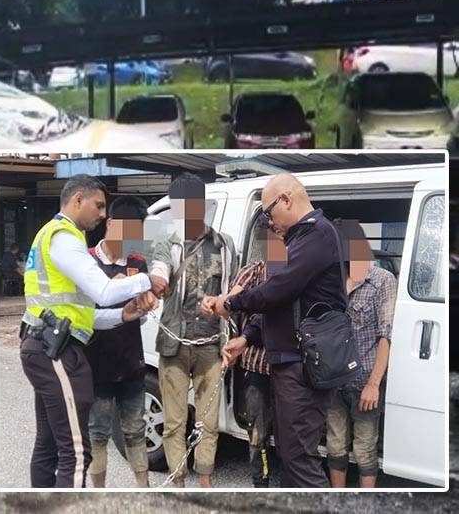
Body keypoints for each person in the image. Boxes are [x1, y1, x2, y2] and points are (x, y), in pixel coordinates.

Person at [204, 173, 347, 488]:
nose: (269, 221)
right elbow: (281, 304)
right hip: (290, 362)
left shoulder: (317, 234)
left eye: (269, 212)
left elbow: (276, 290)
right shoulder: (300, 239)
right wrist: (246, 338)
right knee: (289, 451)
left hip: (303, 366)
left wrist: (231, 304)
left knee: (299, 458)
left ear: (286, 199)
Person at [20, 174, 160, 488]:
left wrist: (123, 315)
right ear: (78, 199)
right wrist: (148, 281)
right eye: (98, 206)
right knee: (76, 450)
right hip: (55, 350)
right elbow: (104, 292)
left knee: (49, 446)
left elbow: (85, 316)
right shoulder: (64, 237)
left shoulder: (56, 237)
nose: (101, 214)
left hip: (51, 342)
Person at [147, 173, 236, 488]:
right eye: (177, 207)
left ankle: (206, 480)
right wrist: (153, 285)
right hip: (174, 345)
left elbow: (233, 292)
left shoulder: (224, 245)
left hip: (210, 345)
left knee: (208, 421)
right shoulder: (167, 245)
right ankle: (178, 481)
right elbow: (159, 271)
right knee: (174, 421)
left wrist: (229, 329)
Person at [84, 198, 152, 488]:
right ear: (110, 224)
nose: (130, 241)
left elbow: (143, 315)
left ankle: (144, 490)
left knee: (136, 430)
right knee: (98, 433)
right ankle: (98, 496)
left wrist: (145, 308)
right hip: (95, 364)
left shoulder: (138, 263)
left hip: (131, 362)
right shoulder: (86, 261)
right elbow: (83, 314)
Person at [326, 220, 397, 488]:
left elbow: (385, 335)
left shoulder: (381, 281)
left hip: (364, 383)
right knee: (335, 448)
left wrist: (373, 384)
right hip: (333, 382)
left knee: (365, 451)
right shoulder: (330, 280)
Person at [229, 227, 288, 488]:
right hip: (256, 365)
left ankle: (290, 485)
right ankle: (260, 484)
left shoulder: (294, 273)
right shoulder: (253, 271)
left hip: (287, 367)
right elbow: (232, 299)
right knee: (258, 434)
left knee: (289, 434)